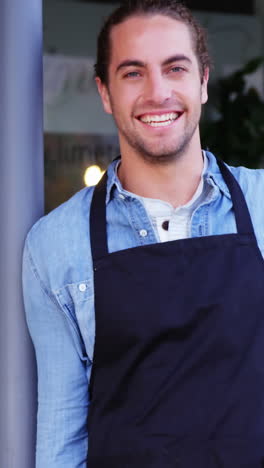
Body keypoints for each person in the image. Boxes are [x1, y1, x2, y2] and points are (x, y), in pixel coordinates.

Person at [22, 0, 264, 467]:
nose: (157, 92)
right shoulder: (54, 245)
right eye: (133, 73)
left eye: (175, 68)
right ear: (106, 93)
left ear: (203, 82)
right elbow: (60, 437)